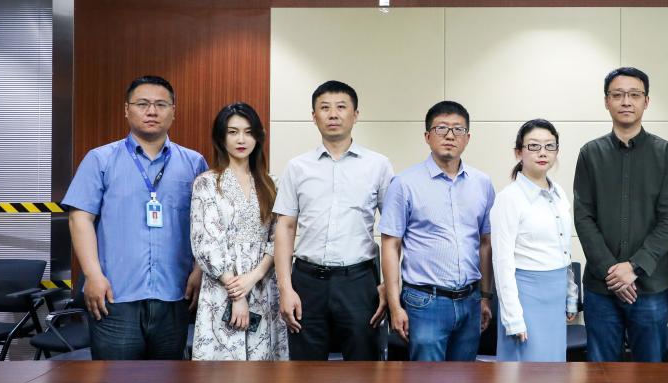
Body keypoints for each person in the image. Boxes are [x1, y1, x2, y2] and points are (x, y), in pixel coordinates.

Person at [63, 75, 208, 360]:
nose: (151, 111)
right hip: (114, 297)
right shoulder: (100, 159)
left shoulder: (194, 163)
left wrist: (199, 270)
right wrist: (92, 275)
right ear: (126, 110)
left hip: (175, 296)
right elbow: (79, 219)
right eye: (142, 104)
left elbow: (206, 225)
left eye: (160, 105)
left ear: (173, 111)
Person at [273, 80, 393, 361]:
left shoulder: (378, 165)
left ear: (355, 115)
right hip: (307, 282)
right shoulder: (298, 167)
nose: (333, 114)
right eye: (325, 108)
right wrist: (285, 288)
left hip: (359, 283)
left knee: (364, 369)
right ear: (314, 116)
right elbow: (285, 228)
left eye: (341, 107)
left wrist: (390, 285)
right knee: (305, 373)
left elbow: (393, 232)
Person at [574, 66, 668, 362]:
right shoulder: (590, 154)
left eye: (634, 95)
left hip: (650, 286)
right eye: (618, 95)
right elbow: (583, 217)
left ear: (646, 101)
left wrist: (634, 268)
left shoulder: (666, 154)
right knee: (601, 375)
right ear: (606, 101)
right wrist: (613, 272)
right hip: (601, 287)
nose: (626, 101)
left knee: (651, 376)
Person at [380, 101, 495, 361]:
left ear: (468, 138)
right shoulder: (405, 183)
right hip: (425, 302)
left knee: (465, 380)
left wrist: (485, 296)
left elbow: (486, 242)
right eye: (441, 128)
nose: (450, 135)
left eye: (458, 129)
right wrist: (395, 306)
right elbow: (390, 245)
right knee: (426, 382)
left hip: (470, 300)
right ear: (427, 136)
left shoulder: (482, 183)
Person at [190, 103, 288, 360]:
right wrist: (237, 293)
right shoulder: (207, 183)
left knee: (263, 370)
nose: (241, 139)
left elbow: (278, 238)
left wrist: (254, 277)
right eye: (233, 132)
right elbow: (206, 242)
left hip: (263, 285)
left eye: (248, 132)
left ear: (258, 136)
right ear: (221, 137)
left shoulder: (272, 184)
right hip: (222, 288)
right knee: (223, 371)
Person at [491, 119, 577, 362]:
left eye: (550, 146)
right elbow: (502, 262)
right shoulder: (509, 198)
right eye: (534, 146)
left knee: (554, 371)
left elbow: (564, 249)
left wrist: (570, 294)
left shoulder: (559, 193)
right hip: (525, 296)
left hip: (555, 294)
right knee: (525, 373)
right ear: (518, 152)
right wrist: (512, 317)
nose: (542, 152)